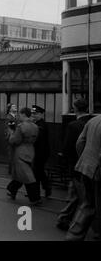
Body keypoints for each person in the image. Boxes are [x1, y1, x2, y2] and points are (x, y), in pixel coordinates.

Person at [57, 99, 93, 231]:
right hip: (91, 165)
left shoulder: (73, 125)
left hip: (76, 164)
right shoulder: (91, 122)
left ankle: (65, 219)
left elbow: (69, 146)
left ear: (75, 109)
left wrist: (64, 158)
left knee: (75, 194)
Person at [65, 114, 101, 241]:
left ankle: (73, 235)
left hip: (86, 167)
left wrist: (85, 160)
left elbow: (80, 142)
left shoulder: (93, 120)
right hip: (98, 171)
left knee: (88, 203)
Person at [6, 107, 42, 205]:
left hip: (20, 152)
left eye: (20, 114)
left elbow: (14, 140)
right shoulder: (35, 126)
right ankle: (11, 190)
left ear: (23, 114)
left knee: (27, 176)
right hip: (31, 151)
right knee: (23, 173)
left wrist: (11, 134)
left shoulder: (21, 126)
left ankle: (34, 198)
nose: (18, 116)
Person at [31, 105, 52, 198]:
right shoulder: (37, 124)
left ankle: (37, 192)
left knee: (37, 172)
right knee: (40, 172)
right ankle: (46, 188)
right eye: (33, 113)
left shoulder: (41, 125)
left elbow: (39, 141)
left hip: (40, 153)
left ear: (41, 114)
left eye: (36, 113)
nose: (34, 115)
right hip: (39, 152)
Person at [5, 103, 18, 174]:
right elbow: (10, 129)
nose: (15, 107)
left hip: (15, 136)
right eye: (13, 106)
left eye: (15, 106)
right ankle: (11, 170)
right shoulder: (9, 117)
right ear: (9, 109)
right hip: (12, 137)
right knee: (12, 153)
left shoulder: (15, 116)